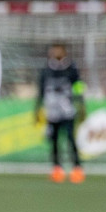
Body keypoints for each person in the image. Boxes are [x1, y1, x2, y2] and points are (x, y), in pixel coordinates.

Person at [35, 42, 85, 183]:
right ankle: (57, 168)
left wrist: (81, 105)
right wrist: (37, 109)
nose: (55, 52)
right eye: (53, 50)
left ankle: (77, 168)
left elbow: (78, 88)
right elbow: (41, 91)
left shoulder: (71, 68)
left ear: (64, 51)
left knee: (70, 139)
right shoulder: (46, 69)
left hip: (68, 111)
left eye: (58, 50)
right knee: (54, 141)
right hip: (52, 112)